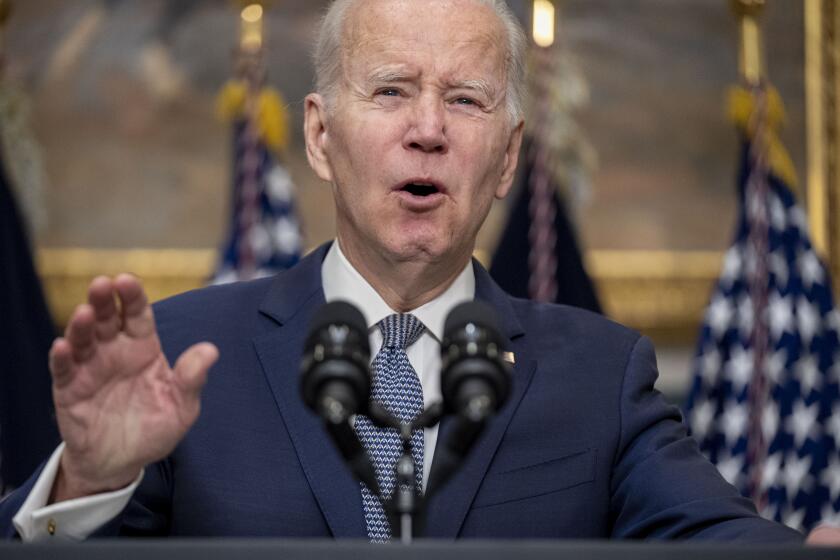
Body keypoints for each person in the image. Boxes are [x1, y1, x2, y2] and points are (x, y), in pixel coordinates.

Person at [0, 0, 834, 543]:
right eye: (392, 91)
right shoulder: (184, 360)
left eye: (466, 100)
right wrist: (89, 481)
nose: (428, 129)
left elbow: (723, 540)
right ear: (322, 138)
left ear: (508, 159)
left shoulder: (600, 375)